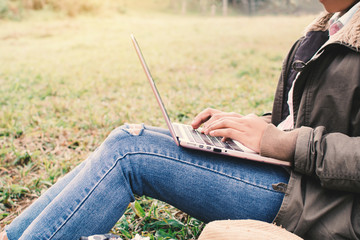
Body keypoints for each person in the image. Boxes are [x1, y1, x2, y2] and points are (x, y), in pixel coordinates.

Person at [2, 0, 360, 239]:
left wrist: (276, 141)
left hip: (319, 203)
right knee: (126, 136)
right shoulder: (325, 30)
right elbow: (301, 119)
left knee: (131, 153)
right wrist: (245, 125)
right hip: (286, 170)